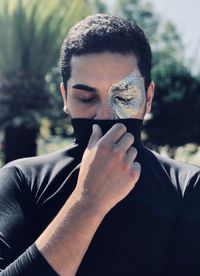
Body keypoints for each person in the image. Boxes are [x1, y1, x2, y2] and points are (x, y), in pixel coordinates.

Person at [0, 13, 200, 276]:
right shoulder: (22, 180)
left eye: (125, 96)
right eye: (86, 97)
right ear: (65, 97)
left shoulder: (187, 186)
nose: (104, 115)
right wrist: (89, 201)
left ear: (148, 97)